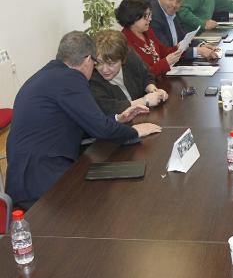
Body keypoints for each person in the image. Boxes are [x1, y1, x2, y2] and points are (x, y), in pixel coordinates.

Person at [5, 31, 162, 209]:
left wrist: (118, 118)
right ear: (88, 60)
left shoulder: (49, 74)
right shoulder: (71, 79)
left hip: (23, 174)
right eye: (96, 63)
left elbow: (84, 121)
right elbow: (100, 129)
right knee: (100, 206)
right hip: (40, 182)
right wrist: (134, 131)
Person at [90, 30, 168, 115]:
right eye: (99, 63)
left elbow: (146, 75)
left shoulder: (130, 57)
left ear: (122, 59)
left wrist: (154, 91)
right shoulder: (92, 77)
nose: (104, 69)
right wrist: (145, 101)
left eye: (110, 64)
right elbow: (108, 108)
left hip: (144, 117)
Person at [149, 0, 219, 60]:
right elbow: (166, 51)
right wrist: (198, 51)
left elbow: (183, 37)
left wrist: (200, 45)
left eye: (178, 1)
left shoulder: (173, 11)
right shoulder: (153, 16)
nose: (174, 4)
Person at [116, 0, 183, 77]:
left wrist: (179, 48)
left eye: (150, 14)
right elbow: (142, 75)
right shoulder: (124, 42)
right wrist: (166, 63)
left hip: (160, 80)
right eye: (146, 16)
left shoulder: (147, 31)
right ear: (132, 18)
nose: (150, 19)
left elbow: (163, 51)